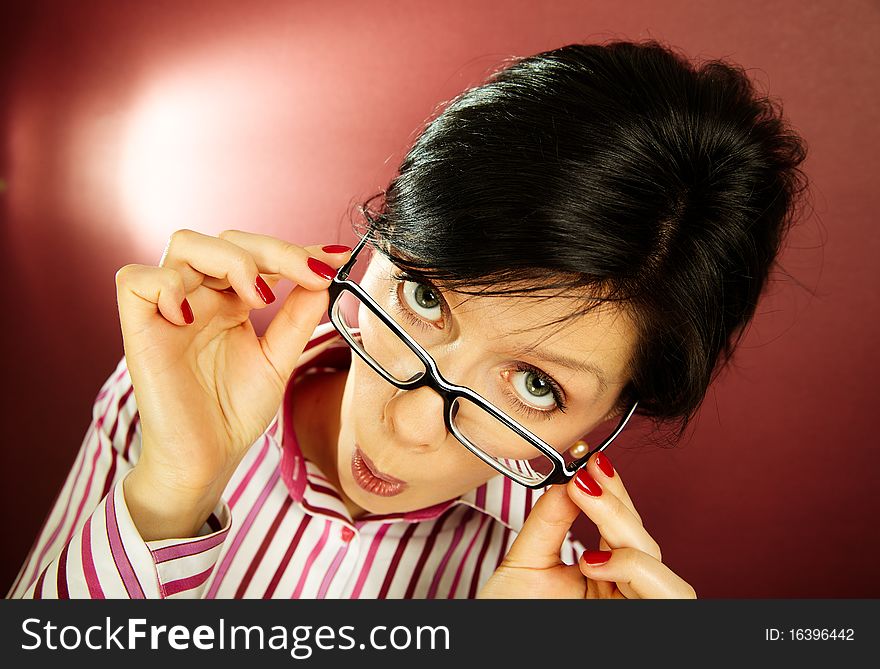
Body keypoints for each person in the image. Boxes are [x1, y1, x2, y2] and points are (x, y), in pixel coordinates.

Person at [7, 38, 808, 599]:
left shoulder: (560, 598)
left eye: (534, 384)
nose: (410, 427)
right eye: (426, 298)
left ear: (604, 424)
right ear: (374, 243)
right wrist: (168, 492)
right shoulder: (170, 393)